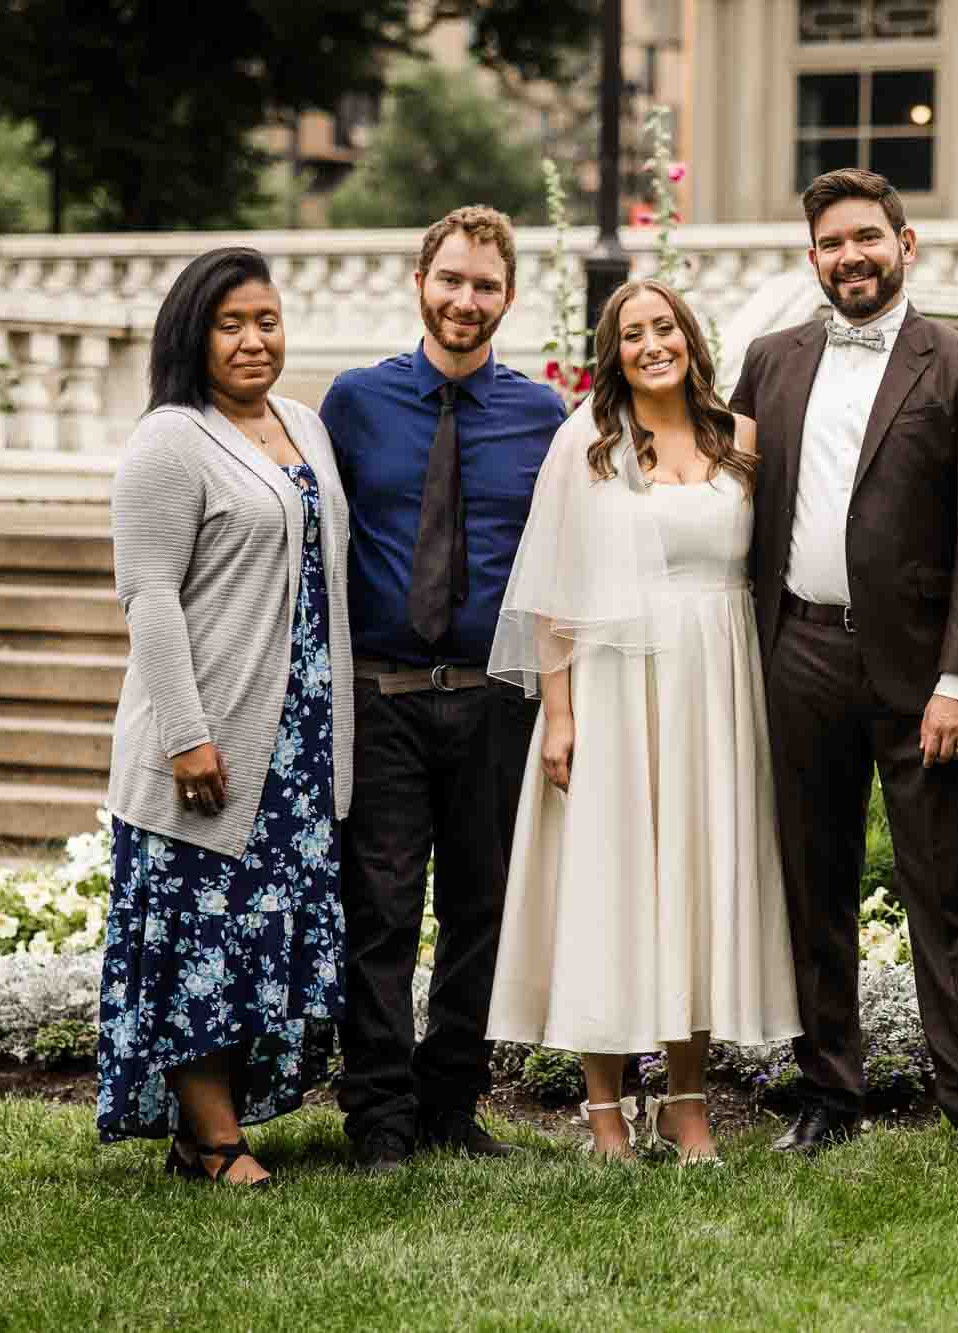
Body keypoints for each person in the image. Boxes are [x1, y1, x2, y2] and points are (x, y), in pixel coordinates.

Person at [730, 168, 958, 1167]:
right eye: (830, 243)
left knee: (942, 887)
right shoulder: (769, 363)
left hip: (919, 671)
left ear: (906, 245)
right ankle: (827, 1091)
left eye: (866, 237)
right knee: (810, 885)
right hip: (797, 654)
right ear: (810, 257)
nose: (849, 256)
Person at [485, 279, 802, 1162]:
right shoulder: (586, 443)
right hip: (618, 684)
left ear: (691, 339)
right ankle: (606, 1114)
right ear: (613, 351)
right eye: (633, 333)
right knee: (613, 881)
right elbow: (552, 593)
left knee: (696, 880)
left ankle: (688, 1101)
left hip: (719, 682)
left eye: (665, 326)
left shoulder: (741, 440)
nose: (652, 343)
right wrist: (559, 716)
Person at [99, 246, 356, 1188]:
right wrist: (185, 733)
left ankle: (214, 1122)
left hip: (299, 733)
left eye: (267, 321)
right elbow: (149, 595)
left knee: (259, 929)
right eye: (231, 323)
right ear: (193, 335)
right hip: (210, 732)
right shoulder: (170, 439)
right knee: (199, 932)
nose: (254, 340)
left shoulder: (302, 424)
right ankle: (209, 1140)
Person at [319, 207, 566, 1173]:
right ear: (420, 278)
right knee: (377, 909)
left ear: (509, 297)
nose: (467, 301)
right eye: (452, 280)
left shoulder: (542, 415)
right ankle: (378, 1115)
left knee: (483, 909)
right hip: (382, 697)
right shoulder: (353, 404)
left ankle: (451, 1102)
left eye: (487, 287)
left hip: (495, 699)